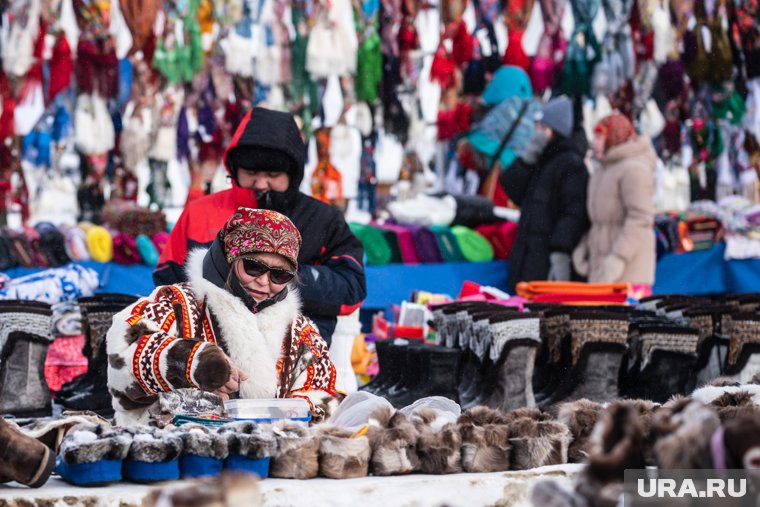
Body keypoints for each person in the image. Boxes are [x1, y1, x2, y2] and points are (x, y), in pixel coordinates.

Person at [107, 207, 341, 426]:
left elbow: (322, 392)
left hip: (266, 461)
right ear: (228, 259)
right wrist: (191, 362)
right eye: (253, 266)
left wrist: (291, 415)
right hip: (167, 455)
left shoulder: (300, 331)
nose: (263, 281)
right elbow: (124, 356)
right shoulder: (175, 302)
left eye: (279, 275)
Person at [153, 107, 366, 344]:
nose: (261, 183)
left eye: (273, 174)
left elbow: (351, 288)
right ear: (235, 169)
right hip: (206, 352)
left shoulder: (323, 219)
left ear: (292, 172)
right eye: (251, 172)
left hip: (297, 355)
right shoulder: (200, 212)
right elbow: (166, 283)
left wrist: (280, 277)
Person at [499, 96, 590, 292]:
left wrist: (560, 252)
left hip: (546, 259)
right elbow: (514, 192)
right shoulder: (542, 159)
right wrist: (527, 159)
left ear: (556, 131)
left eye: (543, 127)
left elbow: (574, 213)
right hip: (527, 255)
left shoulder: (571, 164)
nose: (537, 132)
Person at [573, 113, 657, 292]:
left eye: (599, 136)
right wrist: (584, 248)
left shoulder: (634, 169)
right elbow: (599, 221)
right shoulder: (602, 170)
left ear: (614, 137)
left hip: (629, 274)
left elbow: (640, 219)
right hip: (601, 274)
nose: (594, 142)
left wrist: (617, 259)